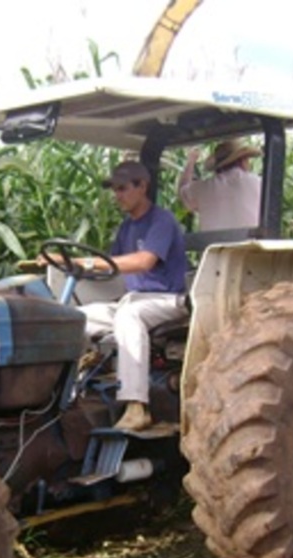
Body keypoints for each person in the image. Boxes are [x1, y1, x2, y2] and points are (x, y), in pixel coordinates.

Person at [78, 160, 188, 431]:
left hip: (167, 300)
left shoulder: (161, 220)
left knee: (129, 315)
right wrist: (72, 265)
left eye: (123, 188)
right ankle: (74, 394)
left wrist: (89, 263)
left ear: (142, 186)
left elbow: (143, 261)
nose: (117, 195)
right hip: (134, 299)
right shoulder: (127, 227)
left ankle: (136, 405)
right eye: (114, 190)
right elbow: (113, 264)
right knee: (76, 318)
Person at [178, 138, 262, 231]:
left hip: (214, 245)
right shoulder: (260, 184)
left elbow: (182, 192)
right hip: (251, 245)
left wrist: (191, 161)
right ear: (242, 161)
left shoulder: (204, 188)